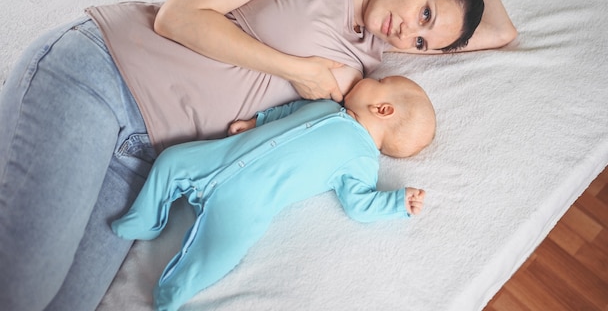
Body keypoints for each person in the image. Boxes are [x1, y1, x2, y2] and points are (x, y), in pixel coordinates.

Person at [0, 0, 516, 311]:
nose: (409, 35)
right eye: (423, 13)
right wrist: (298, 69)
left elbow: (500, 33)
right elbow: (179, 16)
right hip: (102, 73)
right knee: (25, 285)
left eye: (424, 43)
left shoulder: (369, 69)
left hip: (141, 156)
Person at [112, 75, 434, 311]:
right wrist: (256, 122)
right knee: (172, 160)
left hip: (249, 201)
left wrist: (396, 202)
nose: (368, 77)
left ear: (383, 109)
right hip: (221, 155)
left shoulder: (362, 158)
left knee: (220, 250)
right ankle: (147, 219)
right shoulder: (325, 106)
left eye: (379, 79)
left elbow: (359, 203)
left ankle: (174, 290)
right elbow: (288, 112)